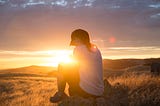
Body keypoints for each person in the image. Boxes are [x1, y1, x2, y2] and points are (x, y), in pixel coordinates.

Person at [50, 29, 104, 103]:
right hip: (99, 92)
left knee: (61, 66)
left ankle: (60, 94)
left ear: (78, 38)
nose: (73, 41)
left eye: (73, 39)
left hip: (84, 92)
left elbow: (74, 67)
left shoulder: (78, 49)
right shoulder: (96, 49)